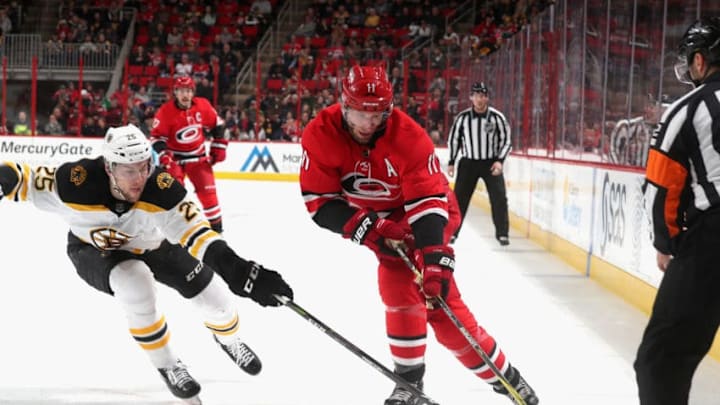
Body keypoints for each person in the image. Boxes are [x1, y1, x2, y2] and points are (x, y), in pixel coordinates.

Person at [0, 124, 293, 404]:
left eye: (144, 167)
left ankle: (229, 340)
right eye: (129, 170)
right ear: (109, 167)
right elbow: (25, 180)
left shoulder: (162, 188)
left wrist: (236, 268)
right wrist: (6, 176)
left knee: (217, 302)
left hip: (154, 246)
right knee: (136, 284)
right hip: (93, 250)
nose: (139, 178)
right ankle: (168, 364)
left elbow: (197, 232)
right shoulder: (75, 182)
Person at [299, 65, 538, 405]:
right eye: (360, 113)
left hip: (429, 212)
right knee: (398, 286)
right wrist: (372, 228)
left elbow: (427, 204)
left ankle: (501, 378)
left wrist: (433, 261)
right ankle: (411, 383)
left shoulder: (409, 137)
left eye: (378, 113)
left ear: (389, 108)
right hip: (379, 220)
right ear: (344, 105)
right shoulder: (320, 133)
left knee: (437, 302)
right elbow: (320, 203)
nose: (369, 123)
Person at [635, 17, 720, 405]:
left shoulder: (687, 109)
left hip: (712, 242)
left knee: (661, 361)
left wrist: (666, 242)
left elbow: (661, 187)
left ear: (701, 62)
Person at [151, 76, 228, 233]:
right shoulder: (165, 112)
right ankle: (179, 231)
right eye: (181, 91)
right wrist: (164, 155)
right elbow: (157, 137)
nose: (185, 95)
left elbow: (218, 125)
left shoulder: (203, 106)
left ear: (193, 92)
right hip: (174, 160)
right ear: (175, 93)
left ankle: (217, 231)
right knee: (175, 196)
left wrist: (219, 146)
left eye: (188, 91)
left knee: (209, 196)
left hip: (198, 159)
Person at [447, 82, 511, 245]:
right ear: (471, 98)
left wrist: (499, 161)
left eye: (482, 95)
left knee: (499, 198)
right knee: (459, 199)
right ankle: (453, 232)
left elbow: (506, 141)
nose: (479, 99)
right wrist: (452, 161)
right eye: (476, 95)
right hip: (468, 163)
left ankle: (502, 233)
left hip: (491, 162)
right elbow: (454, 140)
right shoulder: (462, 118)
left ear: (487, 98)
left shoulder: (497, 118)